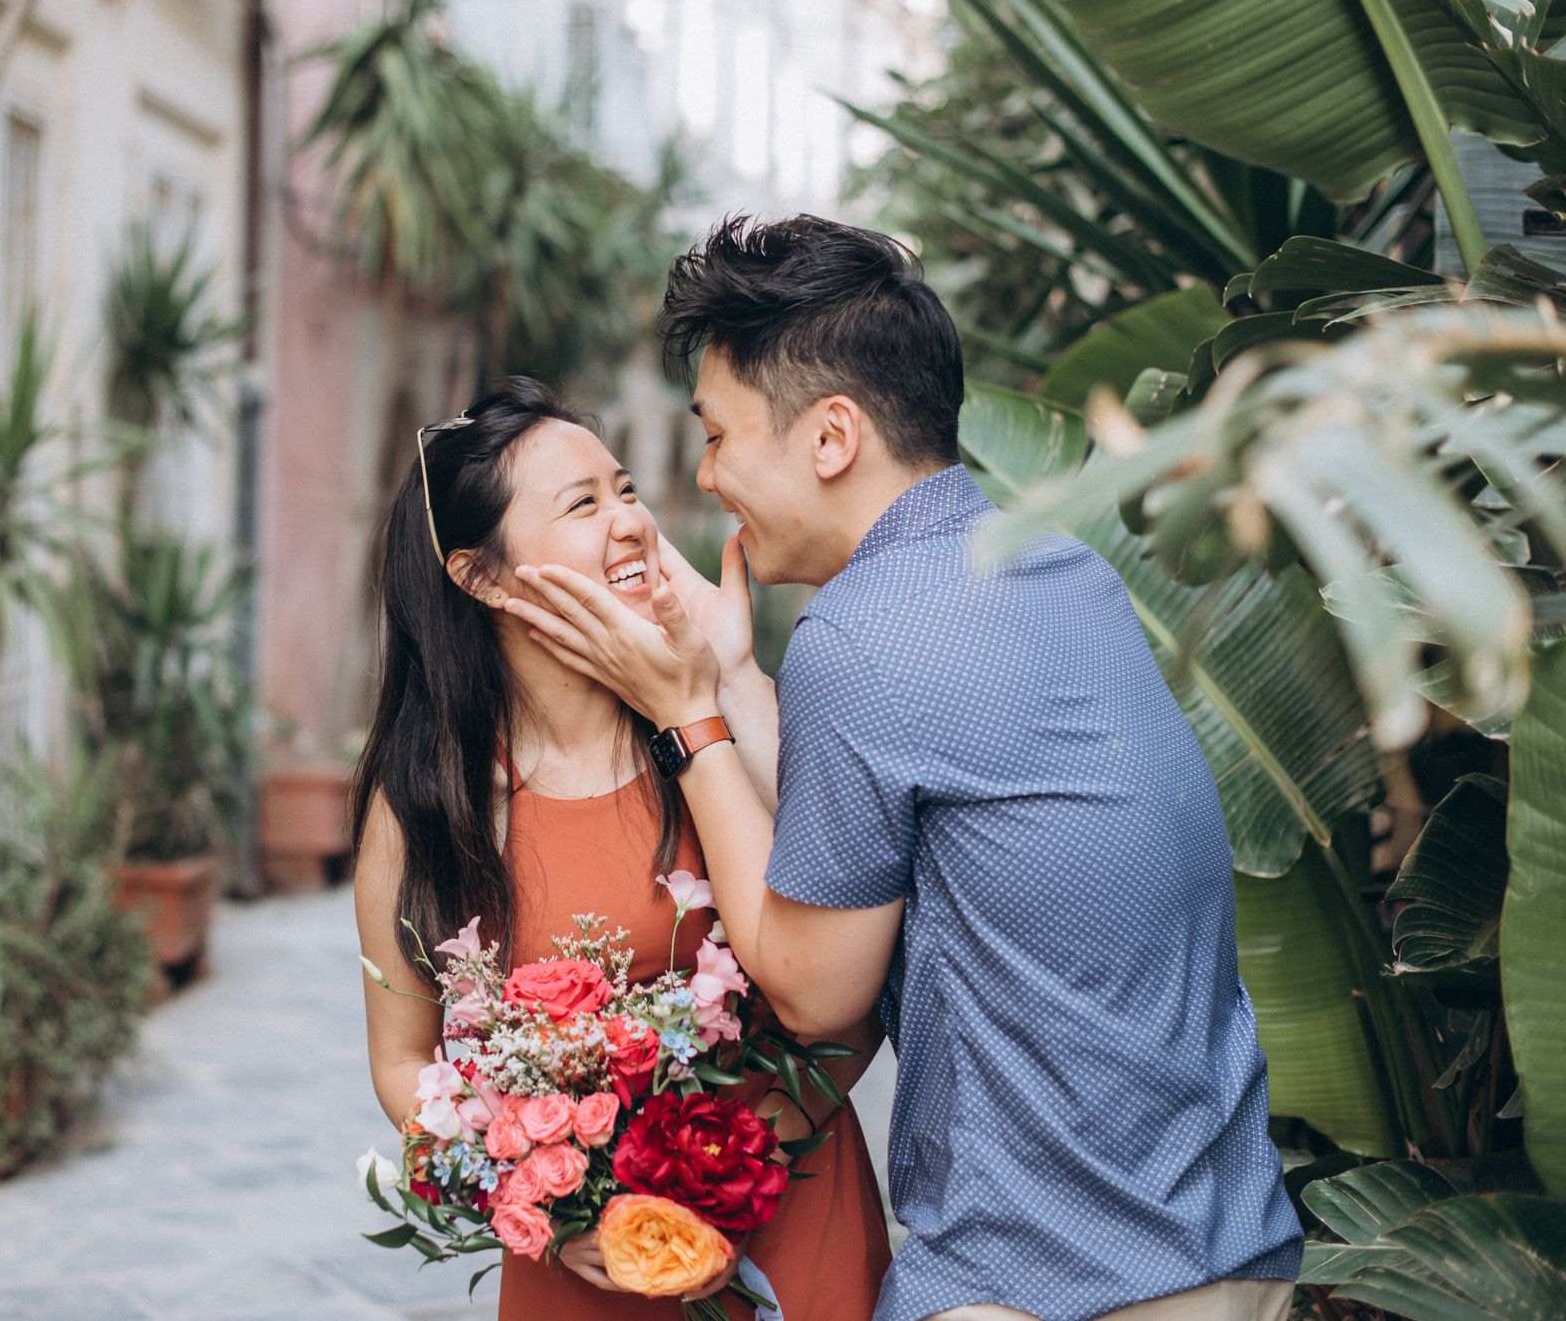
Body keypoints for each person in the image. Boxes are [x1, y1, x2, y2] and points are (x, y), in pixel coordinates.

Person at [503, 215, 1304, 1321]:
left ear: (830, 437)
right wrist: (729, 678)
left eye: (720, 434)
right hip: (1226, 1250)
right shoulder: (1058, 566)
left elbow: (811, 983)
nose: (705, 475)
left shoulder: (859, 637)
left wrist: (685, 714)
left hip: (1050, 1284)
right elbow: (886, 831)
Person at [351, 376, 892, 1320]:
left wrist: (747, 1160)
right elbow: (404, 1062)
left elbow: (854, 977)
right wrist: (554, 1211)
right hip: (584, 1278)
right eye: (584, 503)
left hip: (788, 1226)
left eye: (627, 489)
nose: (632, 521)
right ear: (479, 575)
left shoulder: (719, 729)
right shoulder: (431, 803)